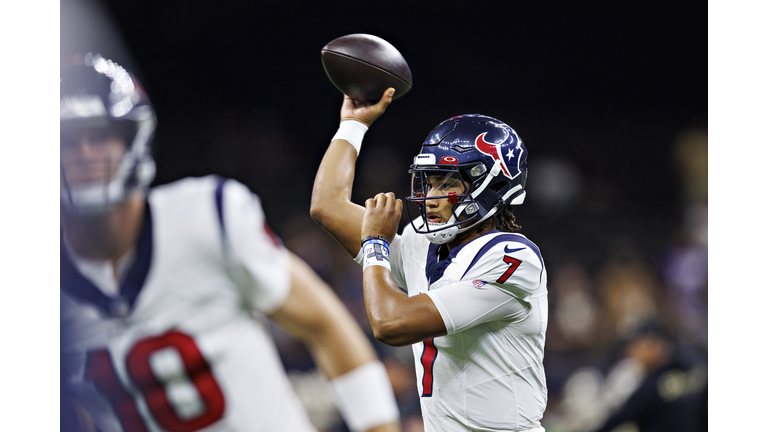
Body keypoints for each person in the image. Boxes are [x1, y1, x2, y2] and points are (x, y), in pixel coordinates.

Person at [60, 53, 401, 432]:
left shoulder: (207, 215)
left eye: (101, 135)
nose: (85, 155)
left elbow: (323, 322)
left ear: (132, 139)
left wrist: (379, 427)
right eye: (67, 141)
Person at [310, 89, 549, 432]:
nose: (431, 198)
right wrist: (353, 125)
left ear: (490, 184)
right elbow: (327, 206)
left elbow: (390, 324)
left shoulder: (512, 258)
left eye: (448, 183)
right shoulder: (422, 245)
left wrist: (376, 242)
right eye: (429, 182)